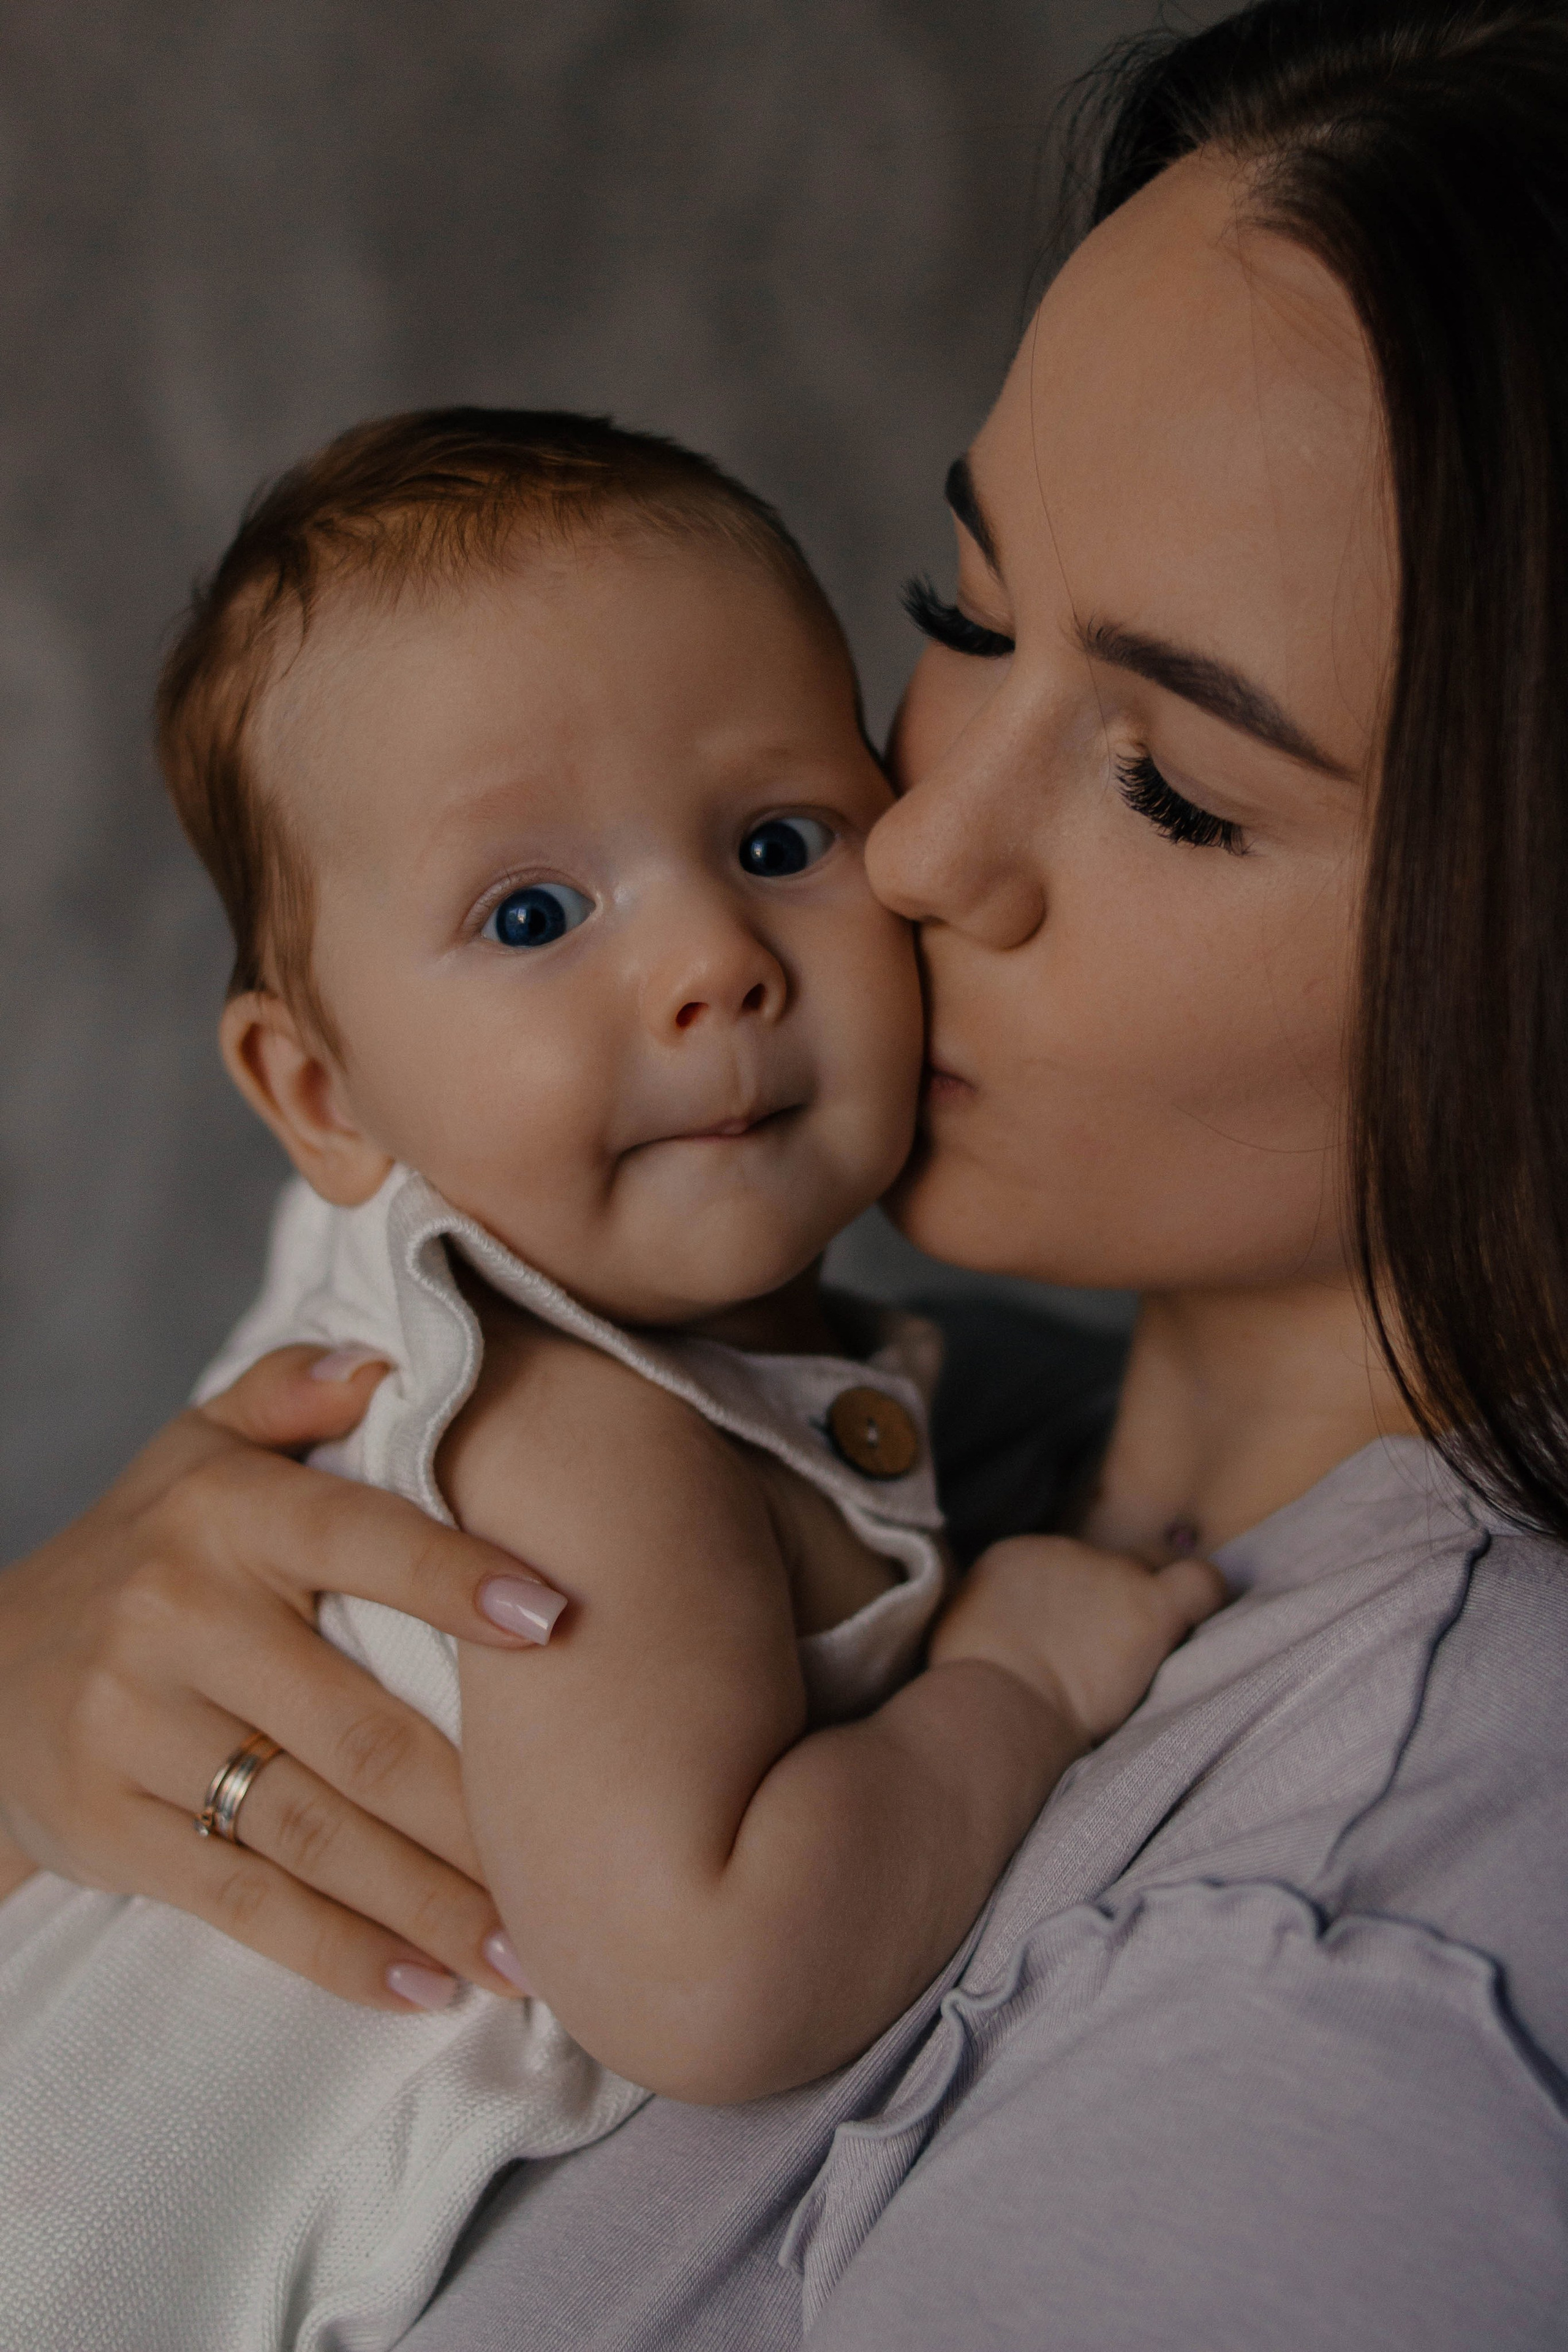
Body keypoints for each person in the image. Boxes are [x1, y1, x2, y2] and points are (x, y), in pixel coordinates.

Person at [3, 0, 1567, 2342]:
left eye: (1171, 786)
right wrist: (58, 1721)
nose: (912, 845)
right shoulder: (933, 1417)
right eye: (958, 621)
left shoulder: (1349, 1974)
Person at [0, 408, 1218, 2352]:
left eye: (776, 842)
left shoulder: (495, 1301)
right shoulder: (580, 1427)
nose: (715, 965)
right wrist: (1018, 1681)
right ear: (323, 1094)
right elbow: (710, 1979)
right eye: (535, 914)